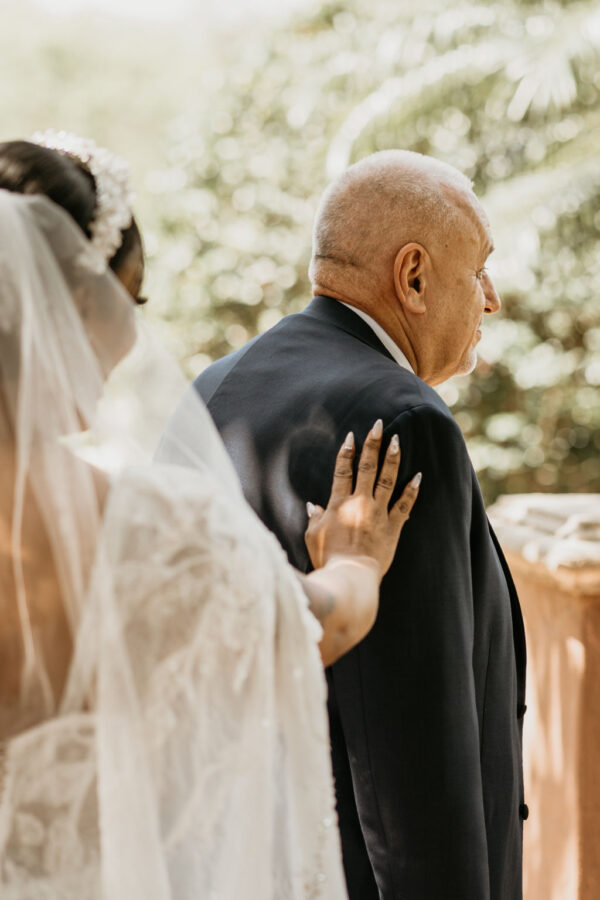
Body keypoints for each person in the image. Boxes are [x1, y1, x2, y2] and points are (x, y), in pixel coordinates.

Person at [0, 135, 421, 899]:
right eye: (132, 301)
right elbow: (314, 625)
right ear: (79, 308)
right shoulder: (158, 533)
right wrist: (356, 558)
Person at [187, 150, 527, 900]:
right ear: (414, 278)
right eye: (478, 272)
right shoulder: (403, 422)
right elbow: (416, 746)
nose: (492, 300)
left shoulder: (212, 386)